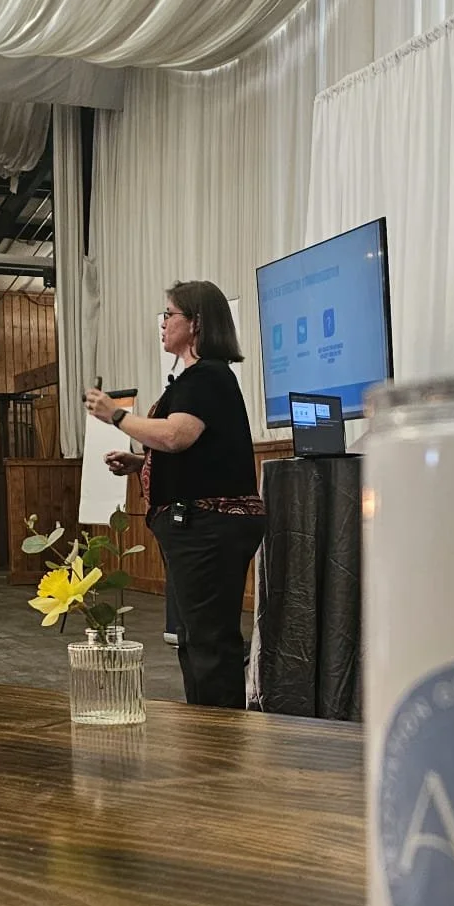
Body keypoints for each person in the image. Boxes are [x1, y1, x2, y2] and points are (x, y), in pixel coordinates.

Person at [86, 281, 265, 709]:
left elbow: (176, 436)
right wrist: (141, 463)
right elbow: (197, 450)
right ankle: (205, 728)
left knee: (208, 640)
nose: (163, 323)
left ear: (196, 323)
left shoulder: (208, 376)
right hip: (200, 525)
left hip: (208, 527)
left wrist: (116, 416)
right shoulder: (199, 379)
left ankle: (220, 736)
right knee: (193, 637)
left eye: (170, 315)